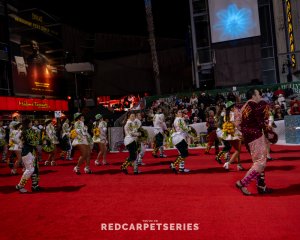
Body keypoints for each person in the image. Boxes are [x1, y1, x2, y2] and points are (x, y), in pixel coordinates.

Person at [236, 89, 272, 195]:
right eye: (258, 94)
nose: (260, 95)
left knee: (258, 162)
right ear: (253, 96)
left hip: (248, 137)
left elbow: (237, 124)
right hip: (255, 136)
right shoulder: (254, 105)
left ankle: (261, 186)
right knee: (260, 162)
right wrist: (268, 131)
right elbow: (262, 122)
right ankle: (243, 183)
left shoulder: (243, 107)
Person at [16, 118, 40, 193]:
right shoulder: (28, 131)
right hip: (28, 152)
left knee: (33, 169)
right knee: (30, 169)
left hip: (28, 151)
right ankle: (20, 186)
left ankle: (34, 185)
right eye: (30, 122)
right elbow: (33, 142)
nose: (31, 124)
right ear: (28, 123)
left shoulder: (23, 131)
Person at [170, 109, 191, 173]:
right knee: (185, 154)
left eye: (181, 112)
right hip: (179, 137)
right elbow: (184, 128)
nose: (181, 113)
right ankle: (173, 165)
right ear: (176, 114)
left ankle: (181, 168)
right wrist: (190, 129)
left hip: (176, 138)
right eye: (179, 112)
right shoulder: (179, 119)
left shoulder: (176, 119)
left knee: (181, 154)